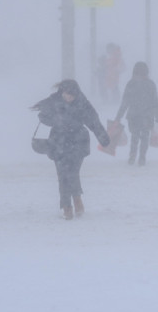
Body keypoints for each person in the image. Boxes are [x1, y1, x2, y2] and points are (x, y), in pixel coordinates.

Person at [32, 79, 111, 220]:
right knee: (62, 175)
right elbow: (43, 117)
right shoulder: (54, 101)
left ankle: (76, 199)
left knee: (72, 173)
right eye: (67, 94)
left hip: (77, 143)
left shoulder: (82, 103)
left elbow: (94, 121)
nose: (69, 98)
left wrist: (103, 138)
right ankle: (67, 207)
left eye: (72, 95)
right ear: (62, 92)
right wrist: (55, 120)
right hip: (58, 143)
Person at [113, 61, 158, 166]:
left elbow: (125, 102)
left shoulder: (131, 83)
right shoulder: (150, 84)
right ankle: (142, 157)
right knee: (145, 137)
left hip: (133, 116)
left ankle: (132, 155)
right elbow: (155, 101)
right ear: (146, 72)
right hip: (147, 116)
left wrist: (118, 116)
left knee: (134, 136)